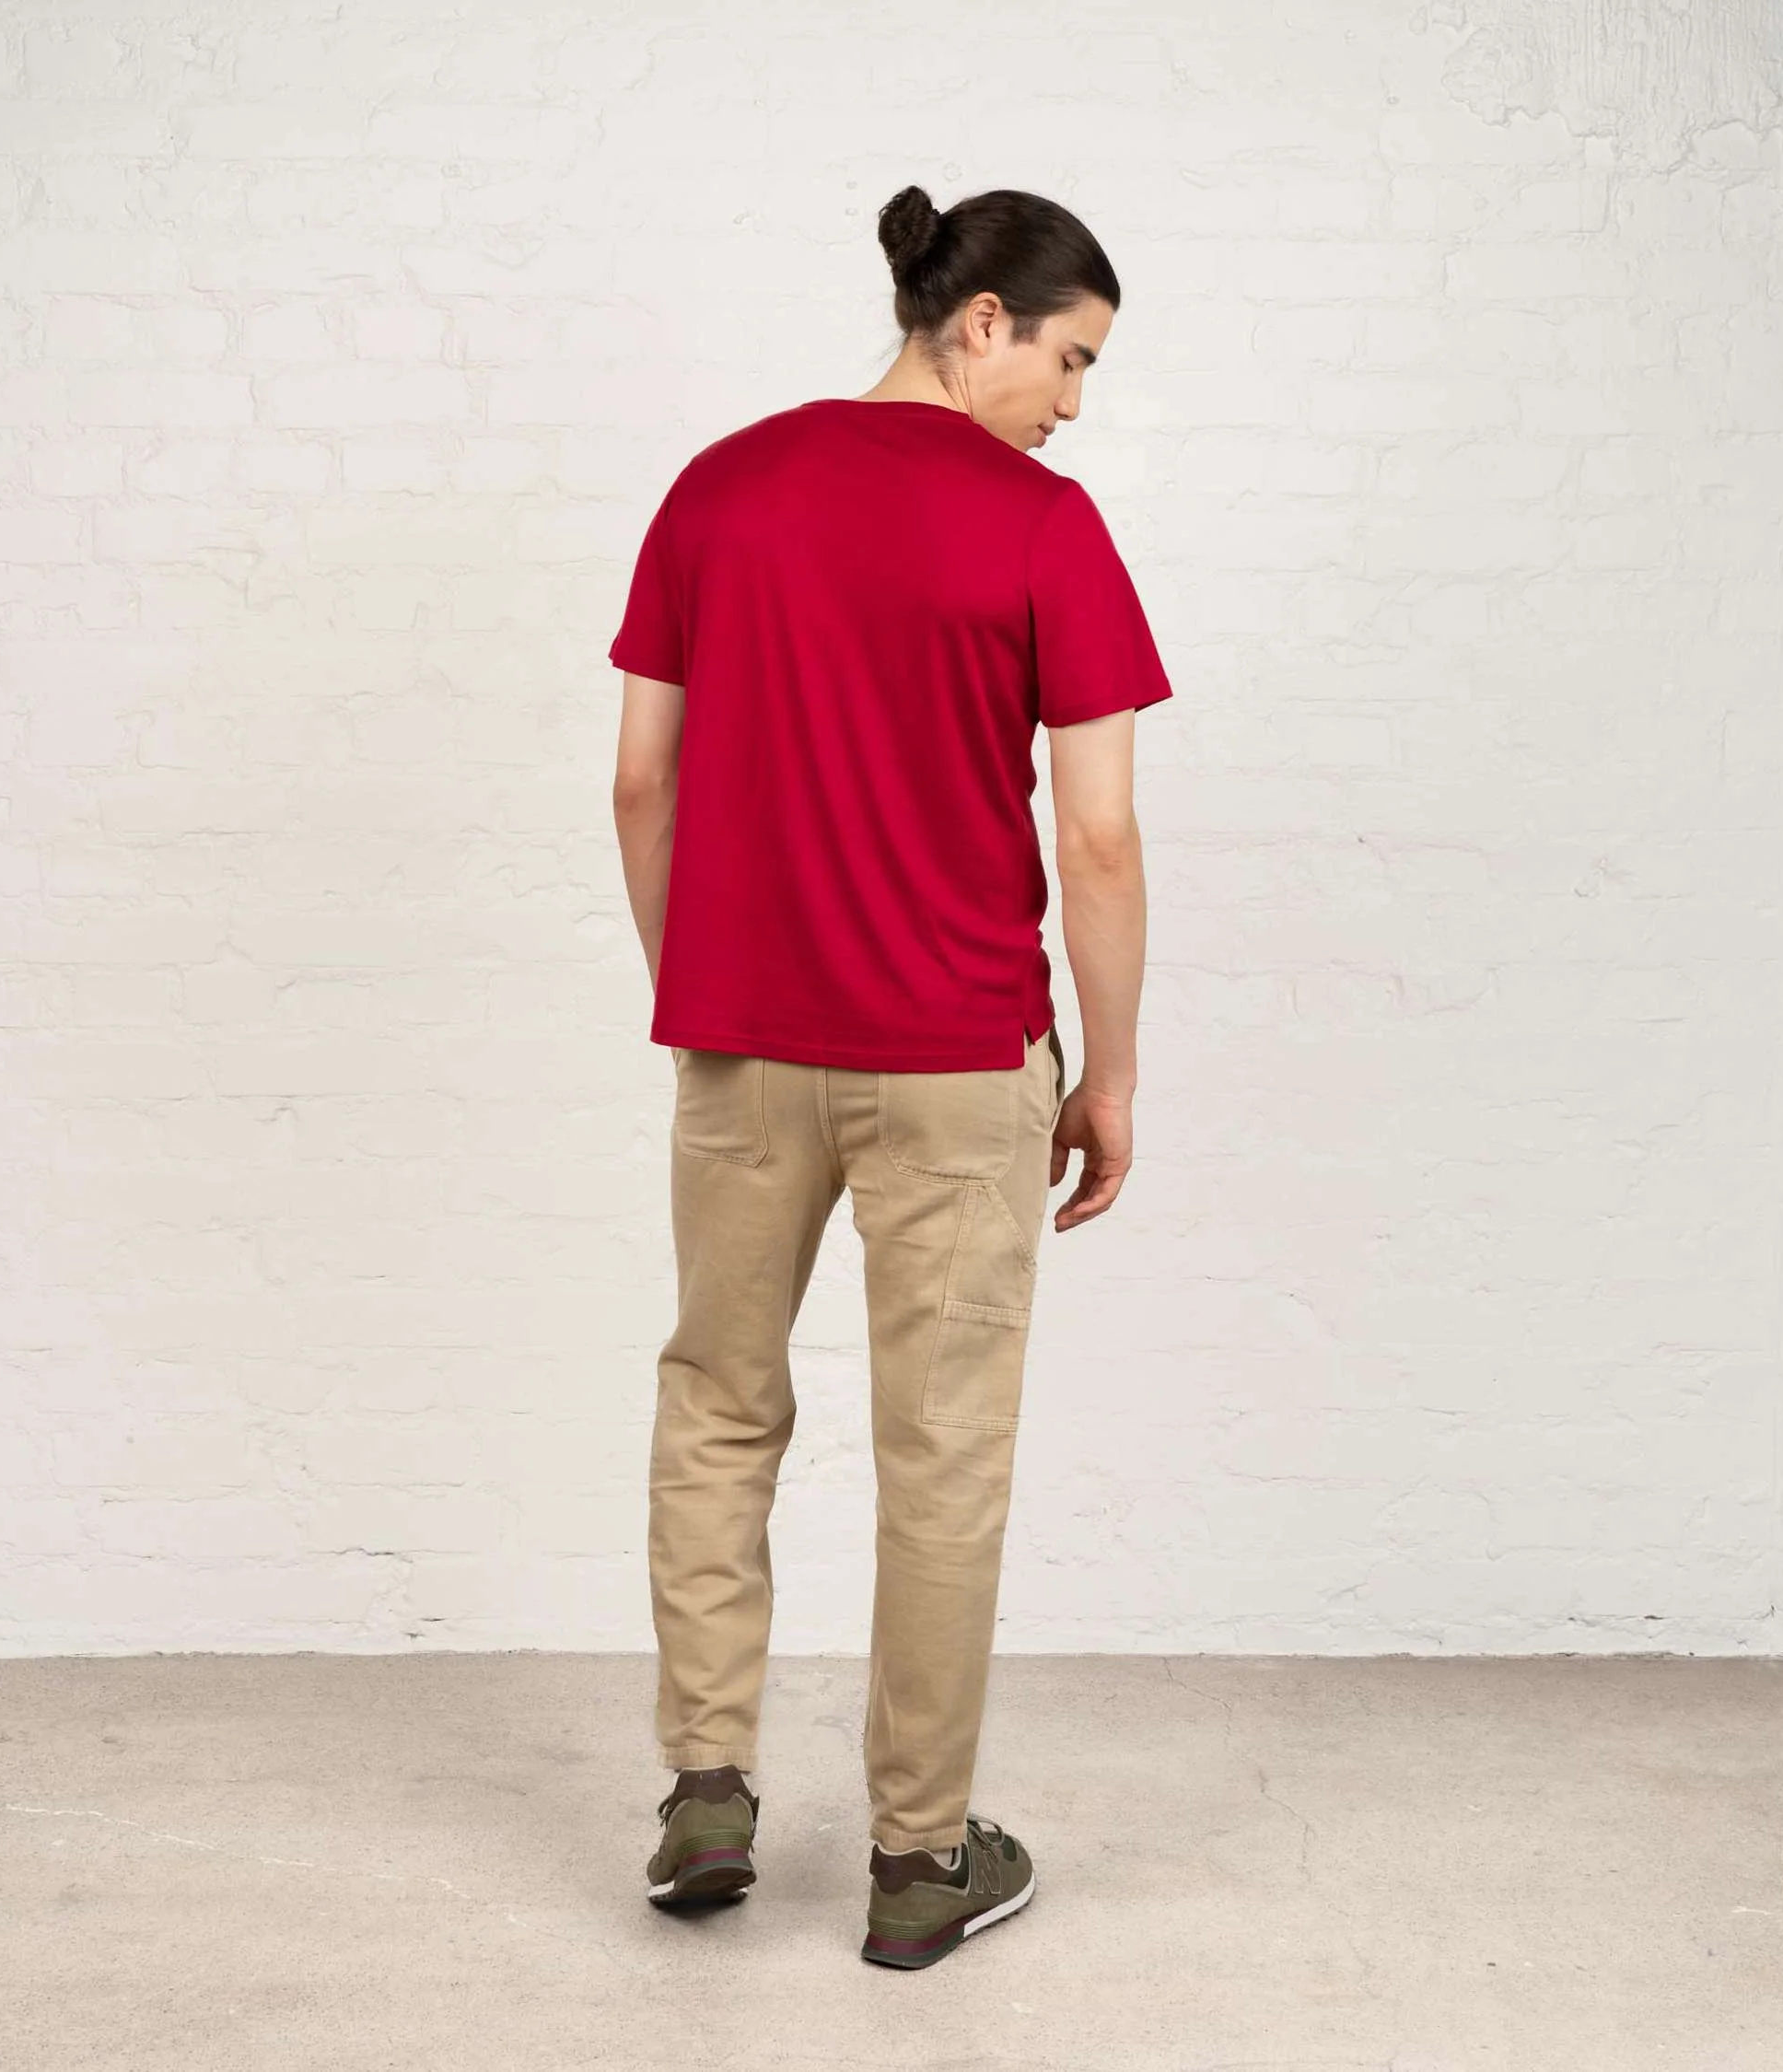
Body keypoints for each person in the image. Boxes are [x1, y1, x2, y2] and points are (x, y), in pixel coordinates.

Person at [609, 182, 1171, 1970]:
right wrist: (1110, 1074)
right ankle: (919, 1865)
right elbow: (1097, 838)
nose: (1072, 404)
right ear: (981, 320)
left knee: (718, 1402)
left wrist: (699, 982)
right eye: (1070, 359)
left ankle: (707, 1793)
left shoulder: (718, 490)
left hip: (742, 1049)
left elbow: (640, 781)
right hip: (955, 1056)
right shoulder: (1042, 527)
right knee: (941, 1455)